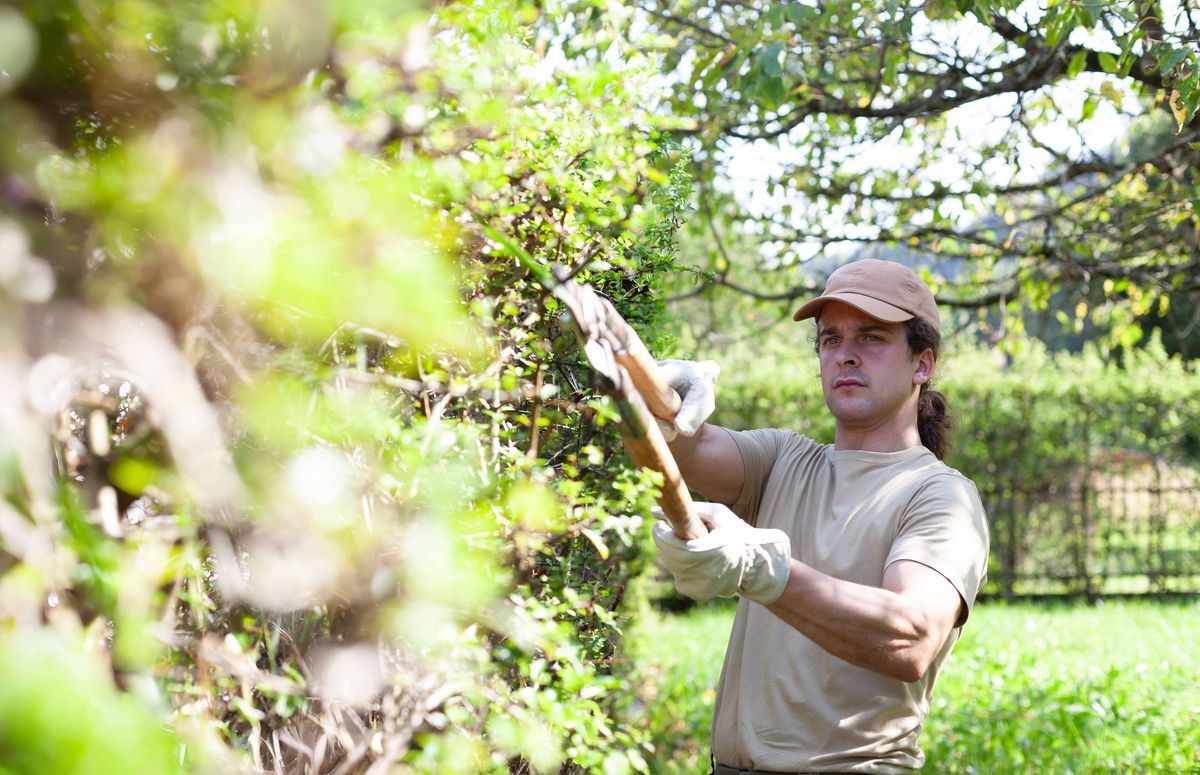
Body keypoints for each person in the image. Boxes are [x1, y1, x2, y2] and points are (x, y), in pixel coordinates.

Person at [651, 259, 989, 774]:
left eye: (872, 338)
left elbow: (911, 636)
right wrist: (660, 397)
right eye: (831, 339)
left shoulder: (940, 496)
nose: (846, 355)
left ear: (922, 364)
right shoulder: (784, 460)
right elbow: (681, 450)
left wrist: (764, 570)